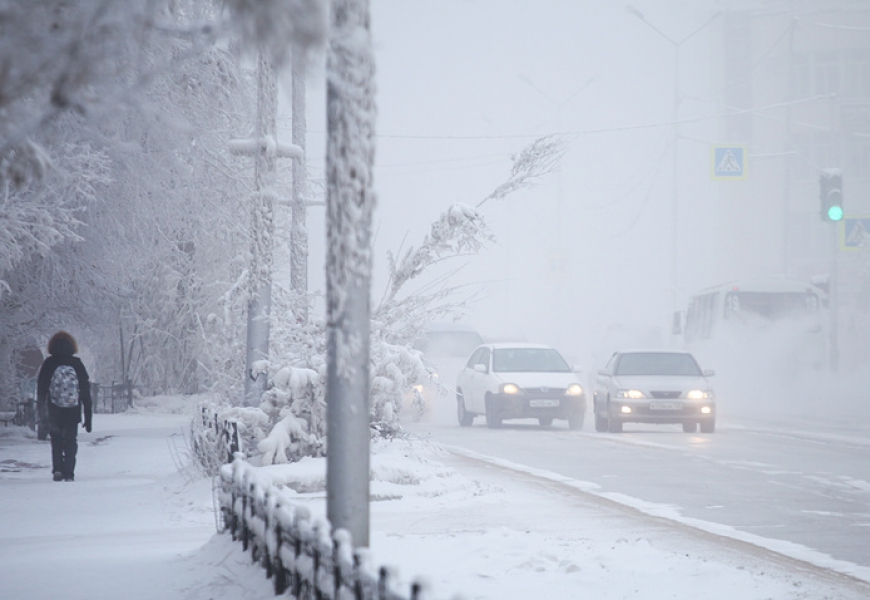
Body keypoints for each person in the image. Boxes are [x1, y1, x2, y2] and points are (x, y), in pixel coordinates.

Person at [36, 331, 92, 482]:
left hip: (54, 409)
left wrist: (42, 414)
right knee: (71, 441)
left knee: (56, 440)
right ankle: (69, 472)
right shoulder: (77, 363)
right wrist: (88, 416)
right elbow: (85, 391)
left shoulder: (49, 363)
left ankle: (58, 470)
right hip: (73, 410)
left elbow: (41, 390)